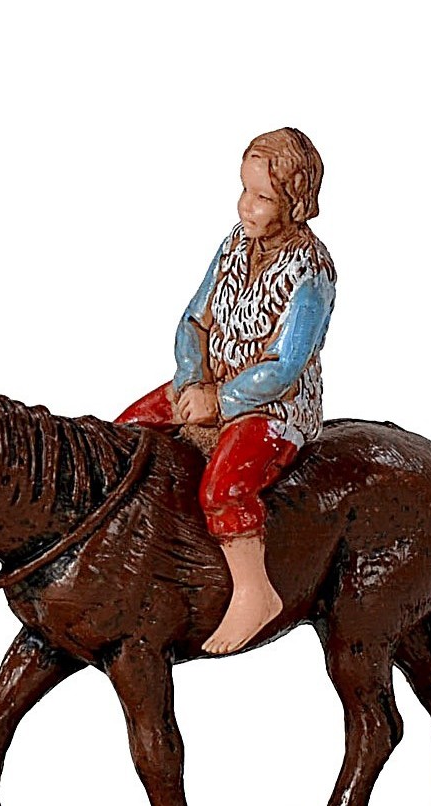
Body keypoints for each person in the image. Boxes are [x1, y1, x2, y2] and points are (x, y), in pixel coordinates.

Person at [117, 127, 336, 654]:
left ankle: (255, 592)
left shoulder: (312, 270)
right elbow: (194, 319)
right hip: (209, 380)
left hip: (273, 406)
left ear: (296, 202)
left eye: (262, 196)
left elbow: (287, 364)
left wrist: (221, 401)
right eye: (244, 190)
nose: (246, 205)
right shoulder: (235, 244)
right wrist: (193, 379)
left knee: (225, 487)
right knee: (122, 433)